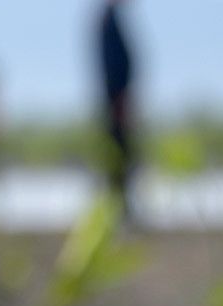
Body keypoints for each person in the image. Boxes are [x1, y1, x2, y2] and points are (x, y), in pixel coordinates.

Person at [98, 0, 135, 213]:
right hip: (116, 99)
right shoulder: (108, 20)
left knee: (122, 151)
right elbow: (113, 66)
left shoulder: (112, 19)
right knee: (118, 151)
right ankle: (117, 205)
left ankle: (120, 203)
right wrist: (119, 99)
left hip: (118, 98)